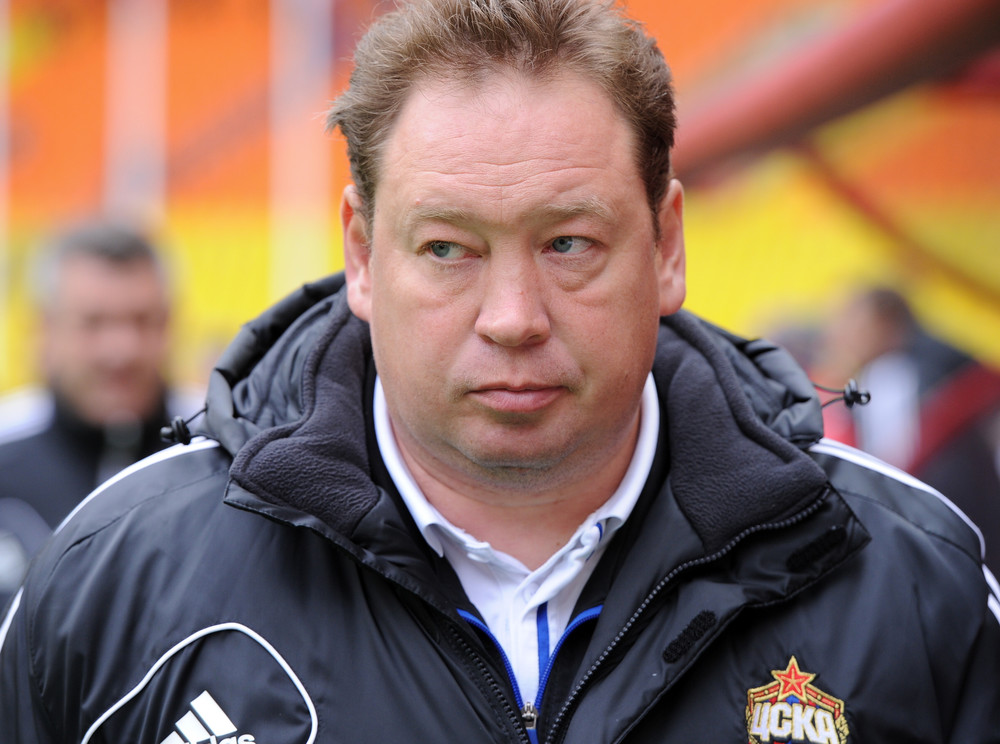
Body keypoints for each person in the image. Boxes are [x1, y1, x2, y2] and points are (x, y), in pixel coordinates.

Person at [2, 1, 998, 741]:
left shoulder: (910, 581)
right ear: (361, 255)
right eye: (447, 249)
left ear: (666, 246)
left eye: (569, 244)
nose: (513, 318)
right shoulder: (118, 582)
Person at [0, 221, 200, 606]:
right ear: (45, 329)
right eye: (94, 323)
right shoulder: (6, 449)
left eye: (141, 321)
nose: (121, 349)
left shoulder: (221, 447)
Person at [814, 285, 1000, 574]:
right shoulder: (945, 369)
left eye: (853, 322)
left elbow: (889, 463)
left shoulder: (889, 374)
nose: (840, 333)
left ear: (887, 326)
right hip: (974, 517)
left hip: (941, 522)